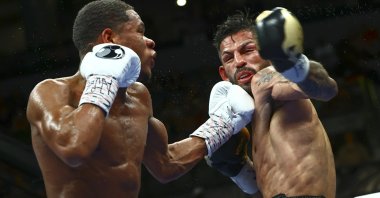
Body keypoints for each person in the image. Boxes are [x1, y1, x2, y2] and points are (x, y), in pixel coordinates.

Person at [25, 0, 256, 197]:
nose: (150, 41)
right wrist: (104, 78)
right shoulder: (50, 92)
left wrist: (223, 123)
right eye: (140, 31)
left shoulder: (138, 97)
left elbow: (166, 163)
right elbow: (74, 147)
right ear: (109, 38)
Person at [209, 7, 338, 198]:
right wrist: (239, 170)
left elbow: (326, 89)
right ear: (223, 74)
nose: (239, 62)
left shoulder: (268, 80)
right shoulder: (254, 107)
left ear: (268, 53)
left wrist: (292, 64)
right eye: (229, 57)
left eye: (247, 50)